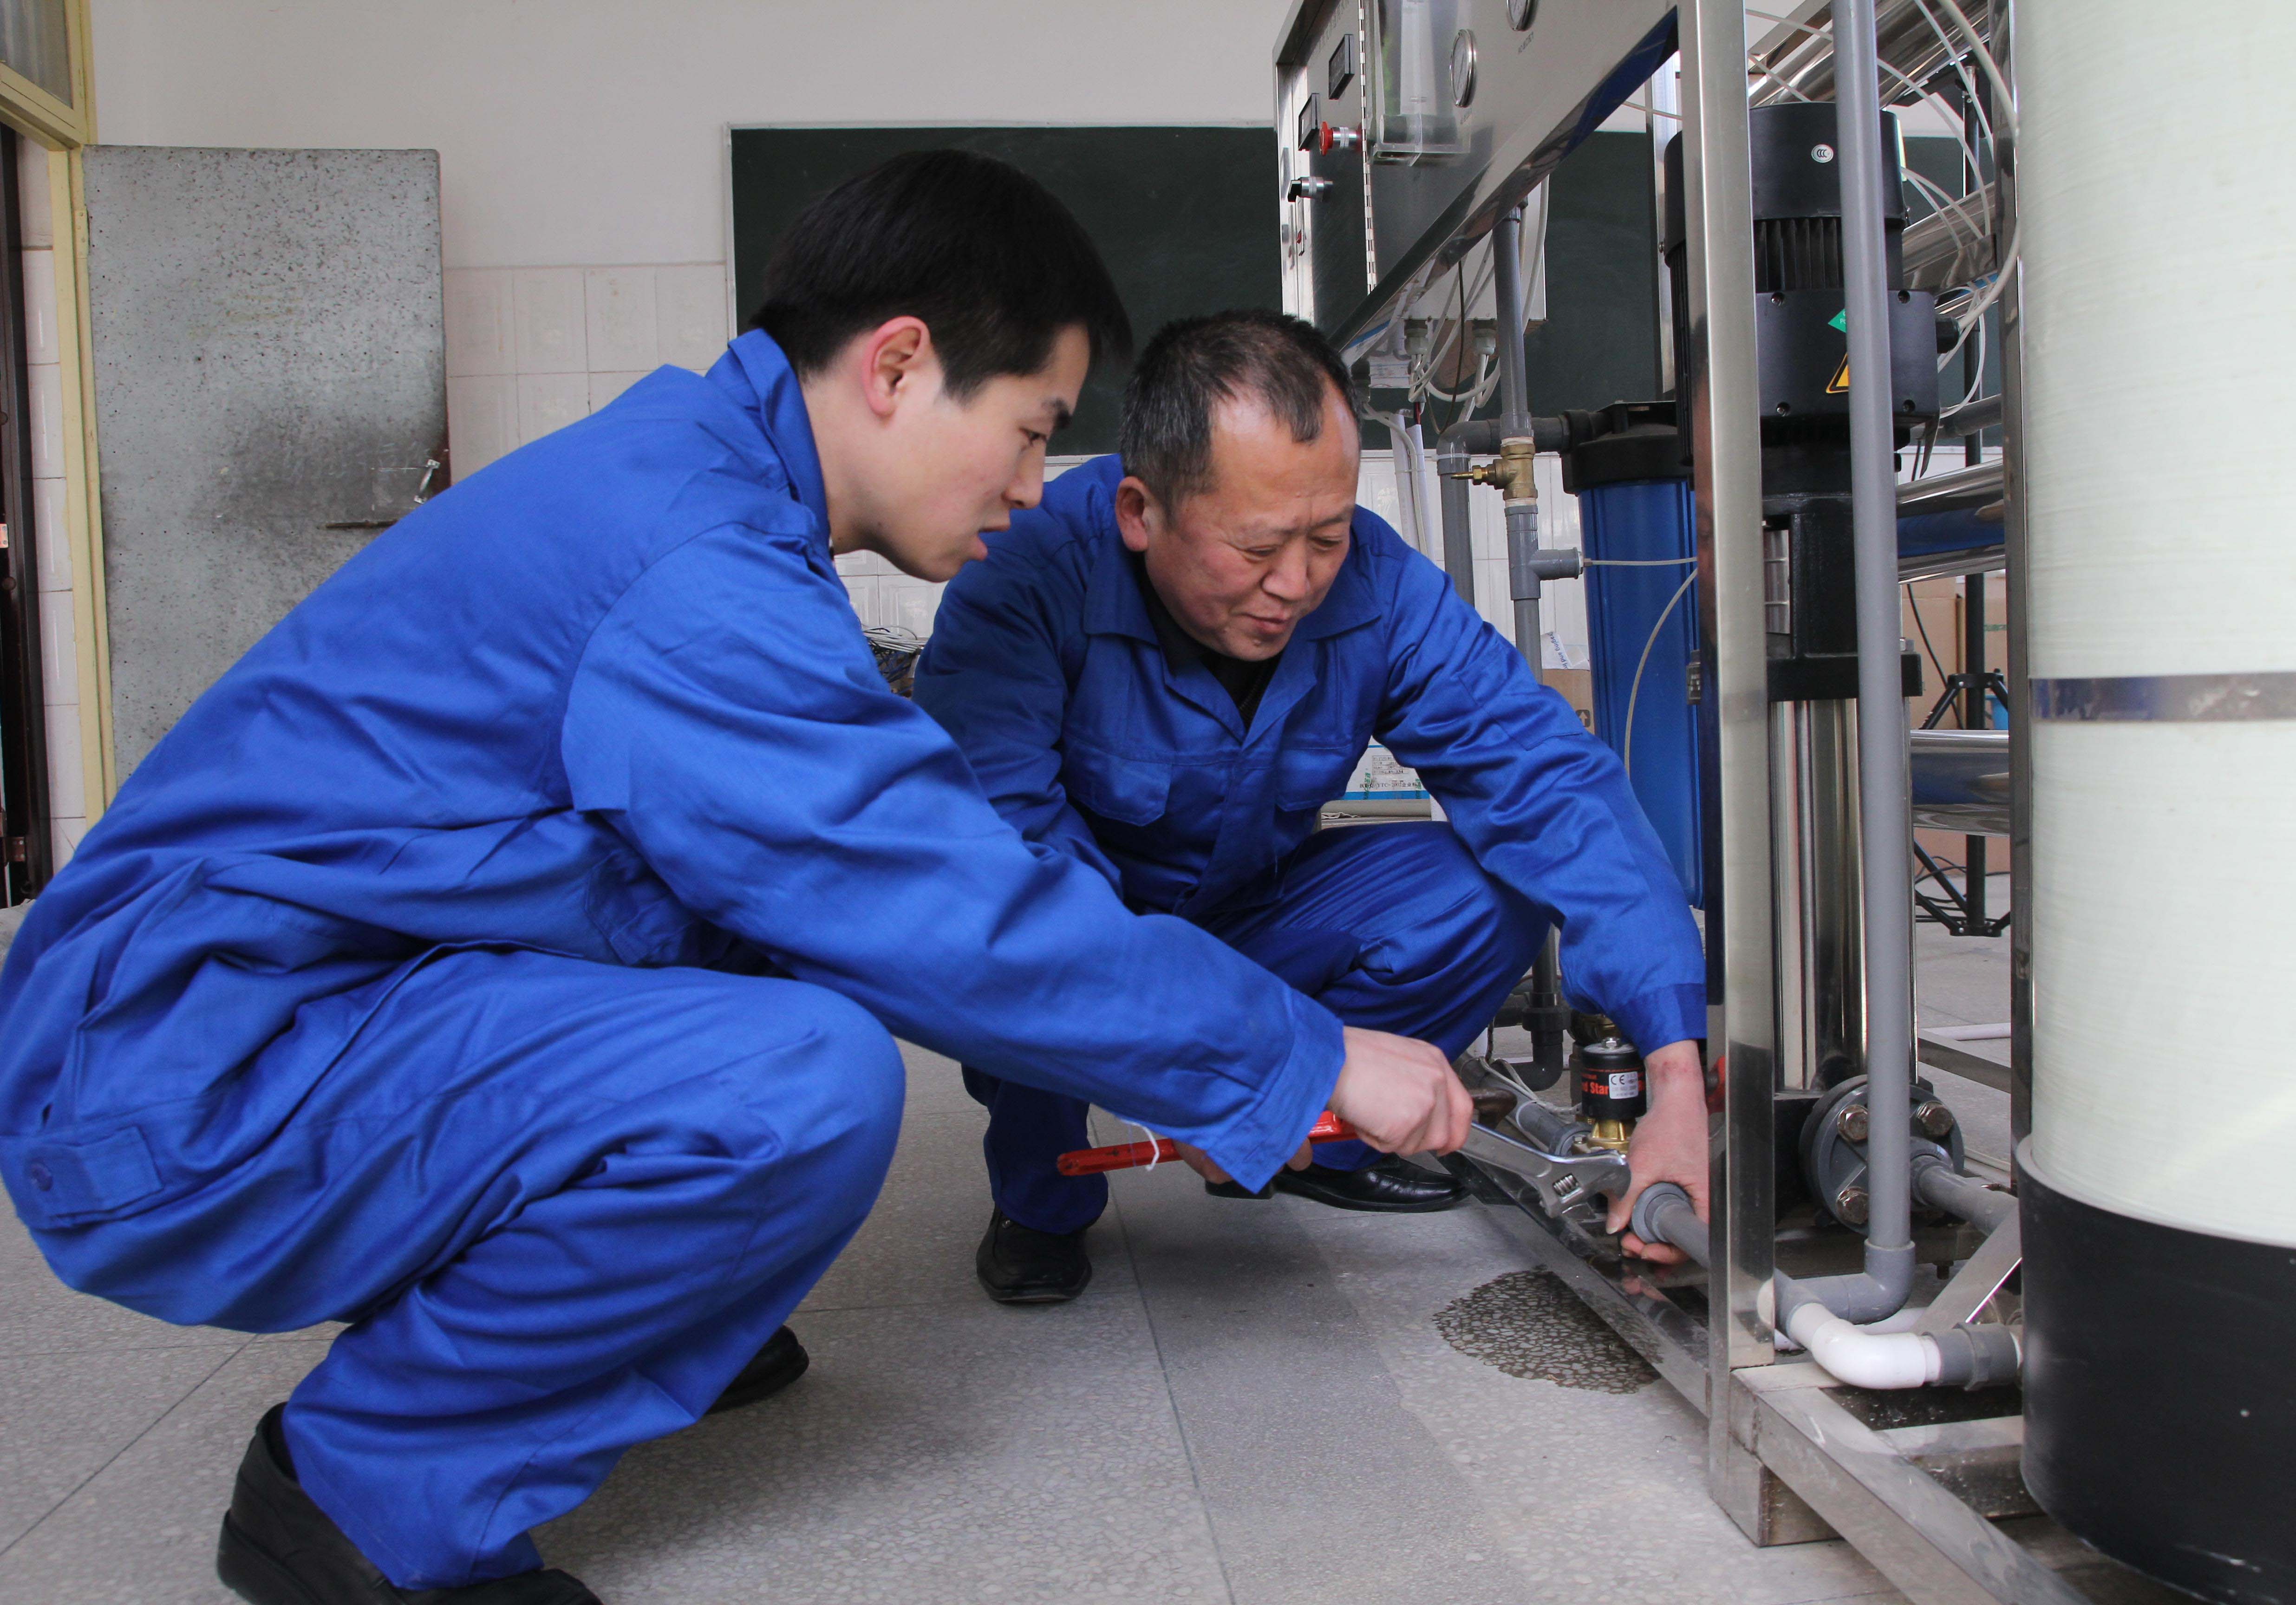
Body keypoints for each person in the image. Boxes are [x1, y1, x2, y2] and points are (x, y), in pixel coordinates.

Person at [0, 156, 1471, 1605]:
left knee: (761, 933)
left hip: (239, 1012)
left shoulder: (697, 475)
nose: (1037, 490)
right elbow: (946, 914)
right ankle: (362, 1501)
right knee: (799, 1083)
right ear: (898, 365)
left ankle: (643, 1313)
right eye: (1031, 432)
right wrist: (1305, 1053)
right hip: (176, 1079)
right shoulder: (695, 564)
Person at [914, 310, 1709, 1305]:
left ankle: (1321, 1147)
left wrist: (1677, 1074)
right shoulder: (1025, 574)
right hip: (1091, 926)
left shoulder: (1377, 581)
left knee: (1481, 892)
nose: (1293, 585)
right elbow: (1008, 872)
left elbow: (1548, 780)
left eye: (1325, 537)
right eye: (1255, 547)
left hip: (1251, 912)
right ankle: (1042, 1200)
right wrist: (1225, 1059)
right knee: (1035, 939)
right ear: (1140, 512)